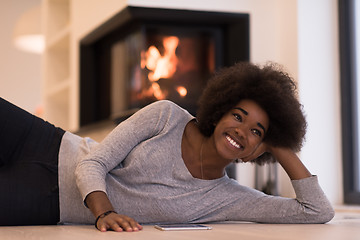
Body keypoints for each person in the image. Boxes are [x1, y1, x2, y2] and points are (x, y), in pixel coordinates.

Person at [0, 62, 334, 232]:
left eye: (256, 131)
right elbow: (92, 164)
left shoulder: (230, 199)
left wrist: (280, 145)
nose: (241, 131)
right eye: (237, 115)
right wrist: (105, 212)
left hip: (47, 201)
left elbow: (316, 211)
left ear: (258, 150)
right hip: (47, 142)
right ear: (220, 111)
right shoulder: (166, 116)